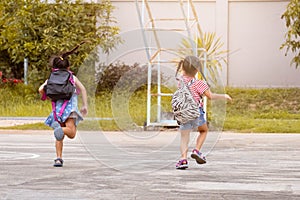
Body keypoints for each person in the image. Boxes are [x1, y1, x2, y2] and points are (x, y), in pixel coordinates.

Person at [175, 56, 232, 169]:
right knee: (203, 131)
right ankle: (197, 150)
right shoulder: (199, 83)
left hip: (184, 113)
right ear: (197, 70)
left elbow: (183, 72)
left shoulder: (180, 81)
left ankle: (183, 160)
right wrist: (224, 96)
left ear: (183, 68)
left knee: (184, 137)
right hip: (197, 112)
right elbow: (210, 96)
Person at [39, 44, 88, 167]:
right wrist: (85, 105)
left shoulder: (51, 78)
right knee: (71, 133)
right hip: (69, 109)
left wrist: (44, 96)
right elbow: (83, 89)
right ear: (68, 66)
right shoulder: (71, 77)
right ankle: (59, 129)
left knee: (59, 136)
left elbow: (41, 89)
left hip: (57, 110)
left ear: (54, 67)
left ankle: (58, 158)